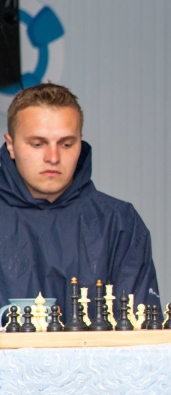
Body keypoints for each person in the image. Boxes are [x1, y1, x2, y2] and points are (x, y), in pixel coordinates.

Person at [0, 83, 161, 320]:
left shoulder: (119, 223)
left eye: (66, 144)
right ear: (11, 145)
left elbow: (139, 331)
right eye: (38, 144)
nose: (53, 157)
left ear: (80, 142)